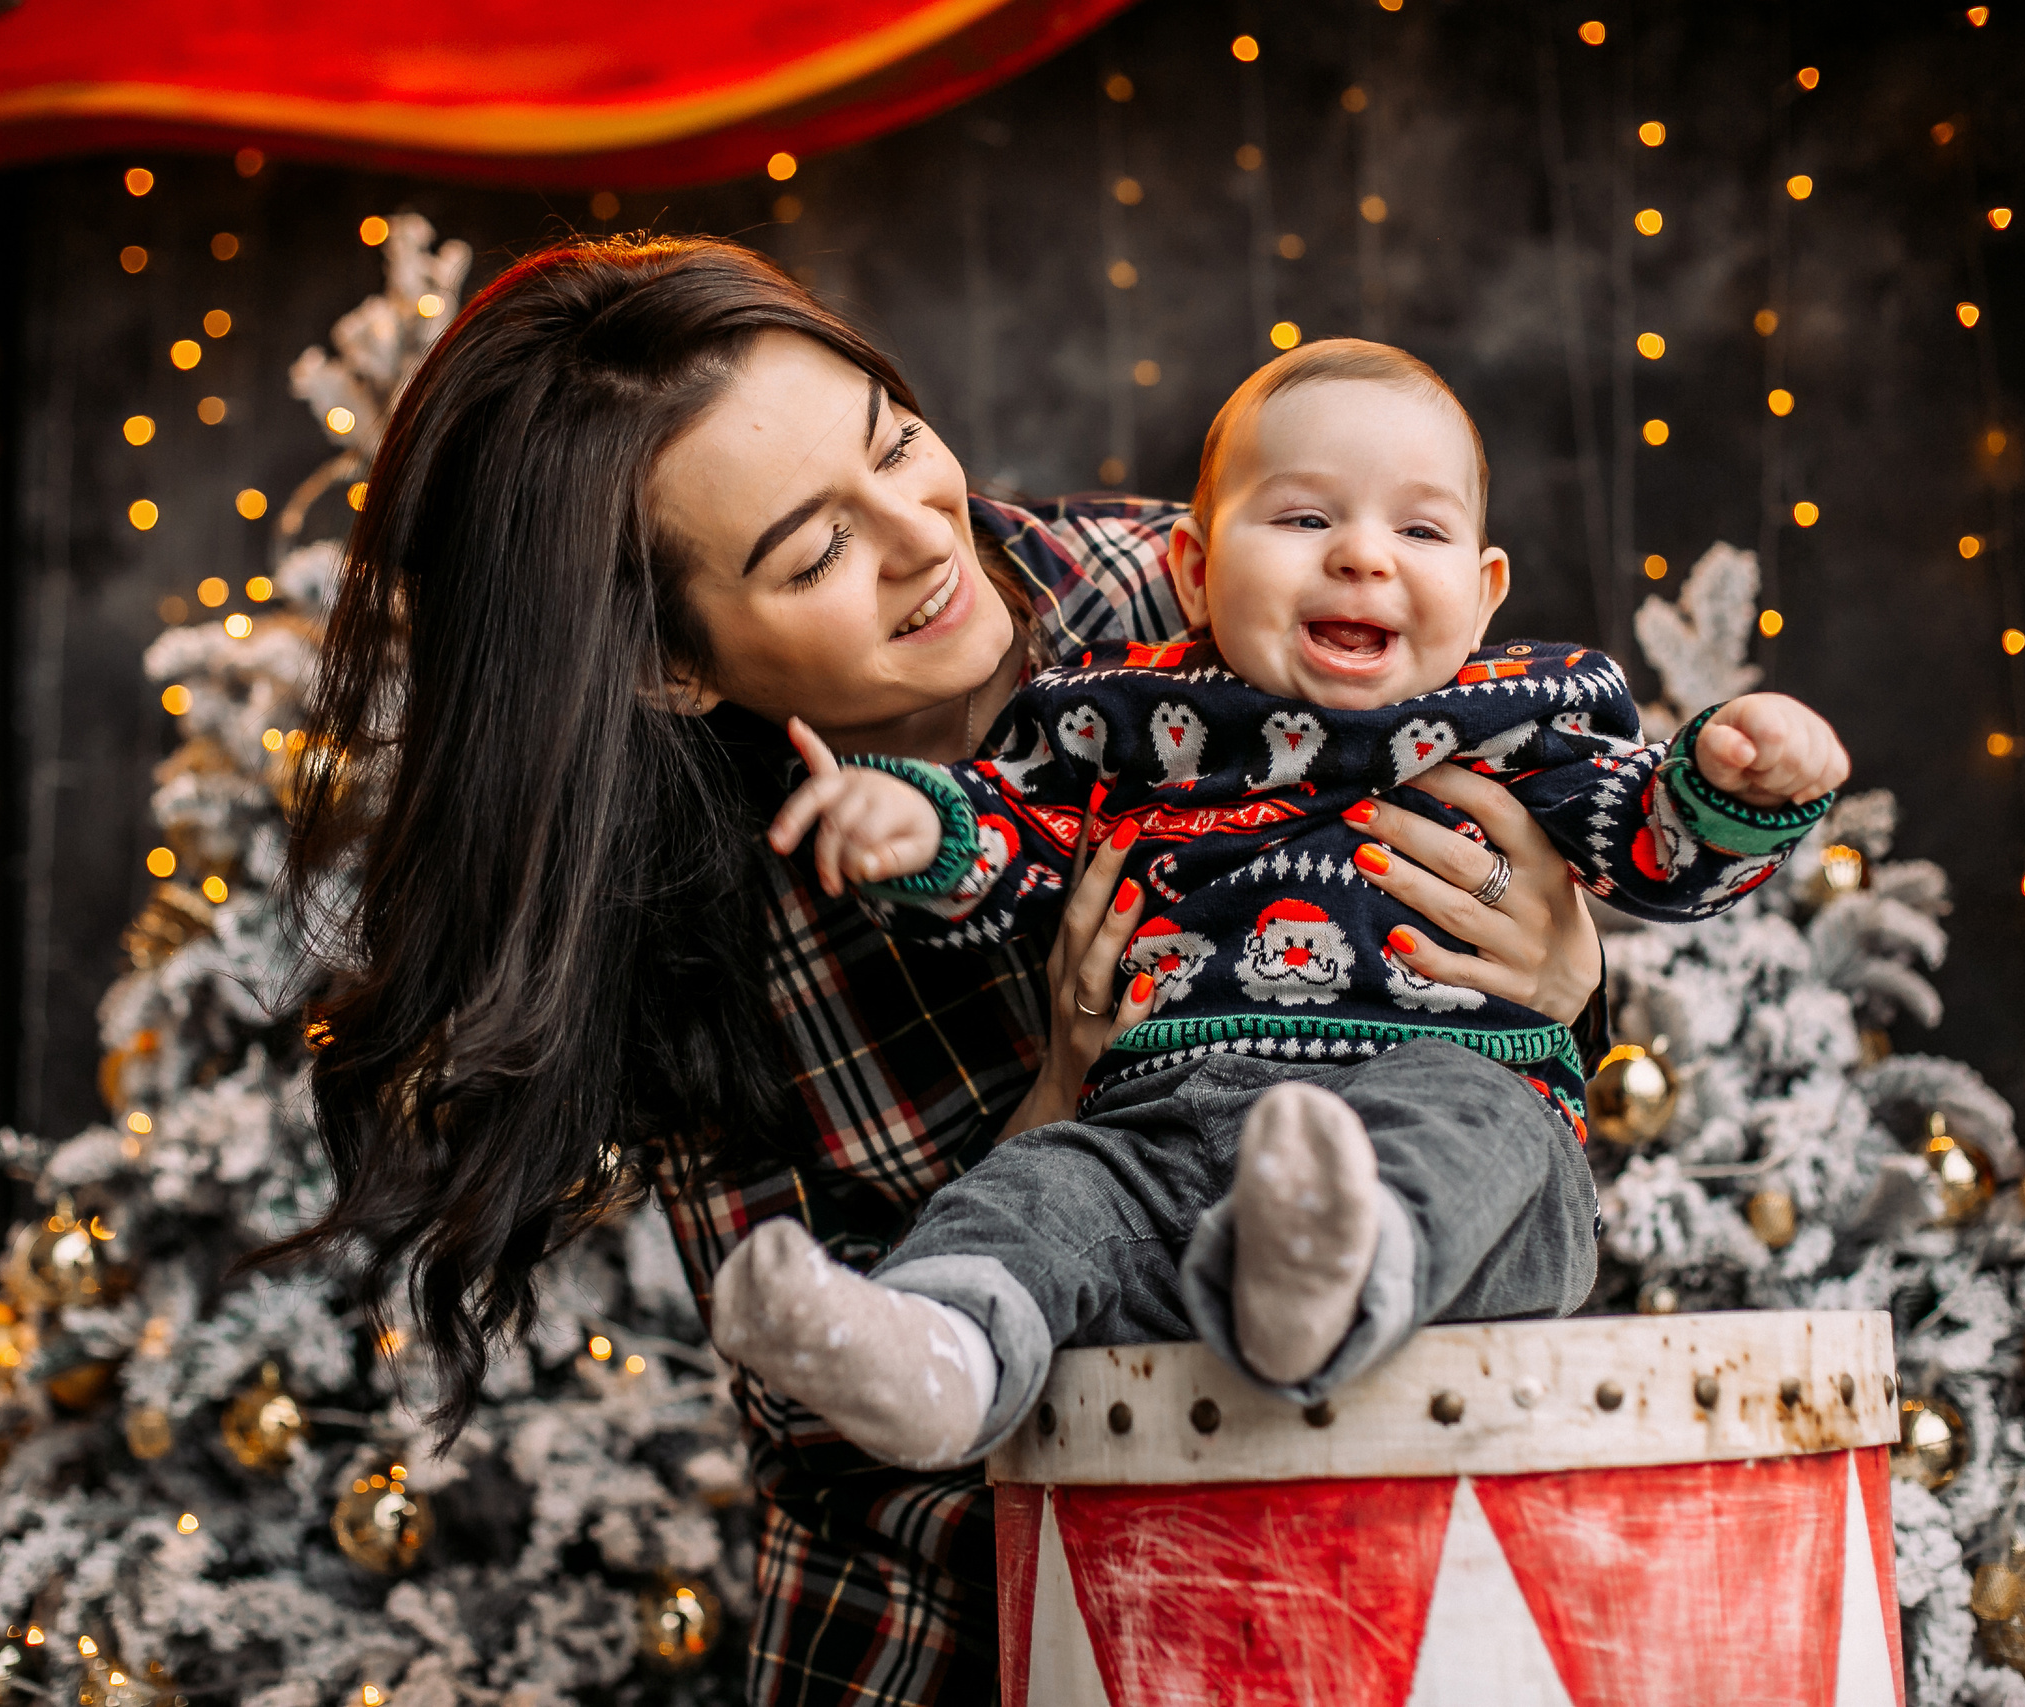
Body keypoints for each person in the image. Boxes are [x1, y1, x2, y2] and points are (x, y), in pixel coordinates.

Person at [279, 238, 1614, 1706]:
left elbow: (1551, 855)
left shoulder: (1191, 597)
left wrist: (1564, 963)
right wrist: (1058, 1099)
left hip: (1373, 1558)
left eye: (897, 444)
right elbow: (832, 1423)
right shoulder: (688, 927)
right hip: (966, 1624)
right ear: (675, 664)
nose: (927, 538)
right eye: (813, 552)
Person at [713, 338, 1851, 1469]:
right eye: (1305, 522)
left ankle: (1332, 1271)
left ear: (1484, 588)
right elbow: (1014, 839)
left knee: (1482, 1123)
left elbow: (1649, 843)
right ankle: (944, 1347)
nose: (1362, 557)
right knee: (1036, 1190)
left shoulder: (1521, 715)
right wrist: (918, 827)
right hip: (1153, 1135)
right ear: (1195, 569)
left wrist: (1733, 781)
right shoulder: (1121, 719)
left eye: (1419, 530)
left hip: (1441, 1109)